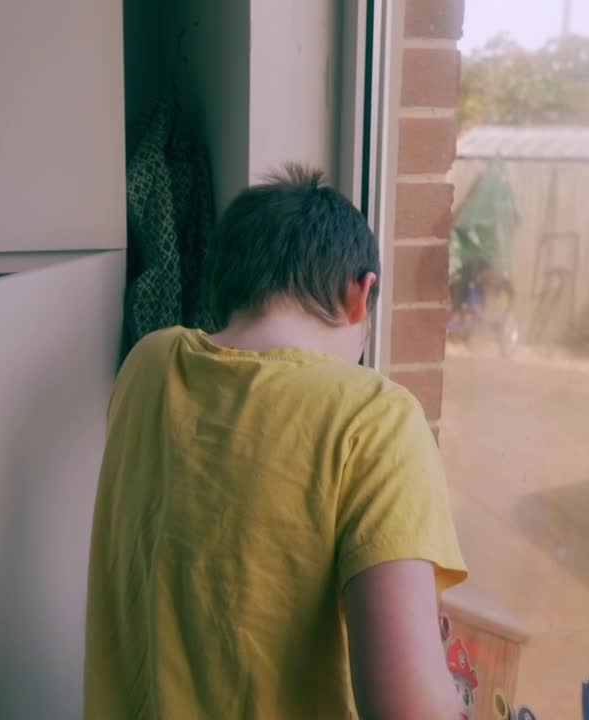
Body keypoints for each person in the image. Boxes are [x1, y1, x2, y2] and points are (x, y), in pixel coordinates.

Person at [85, 164, 471, 719]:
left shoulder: (149, 365)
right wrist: (449, 687)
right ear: (360, 294)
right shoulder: (376, 419)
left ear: (231, 285)